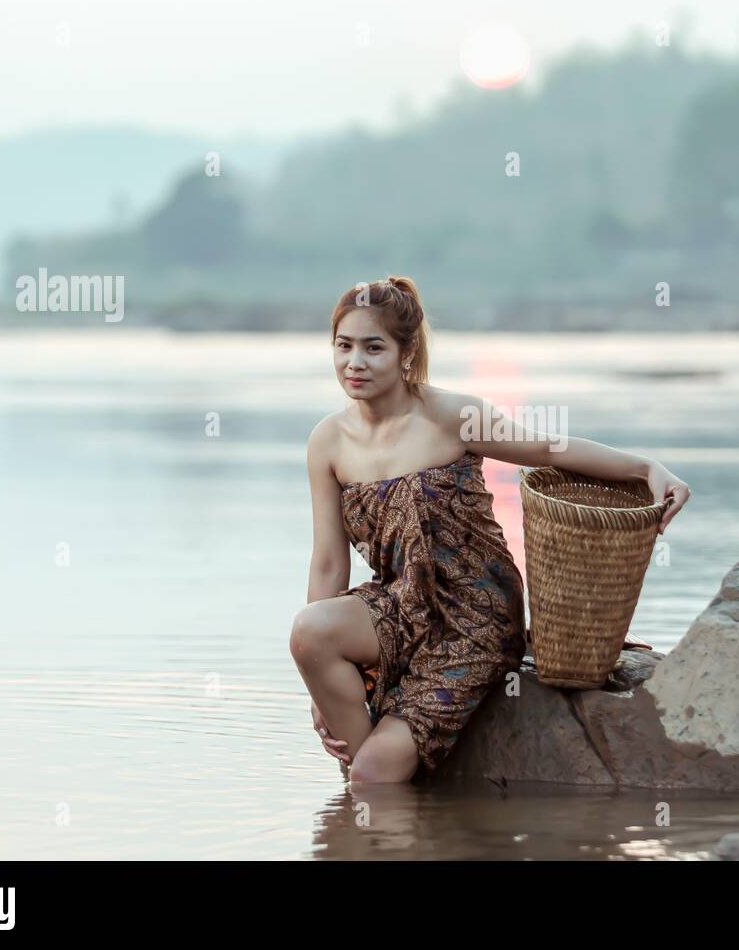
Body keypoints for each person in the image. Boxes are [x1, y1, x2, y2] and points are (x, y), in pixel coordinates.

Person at [290, 275, 691, 784]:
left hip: (473, 614)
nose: (355, 363)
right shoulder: (326, 441)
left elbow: (548, 450)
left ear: (406, 353)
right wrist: (317, 692)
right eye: (344, 346)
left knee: (371, 777)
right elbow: (328, 562)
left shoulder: (453, 416)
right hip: (400, 605)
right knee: (310, 632)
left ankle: (388, 780)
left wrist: (646, 468)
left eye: (374, 348)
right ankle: (393, 794)